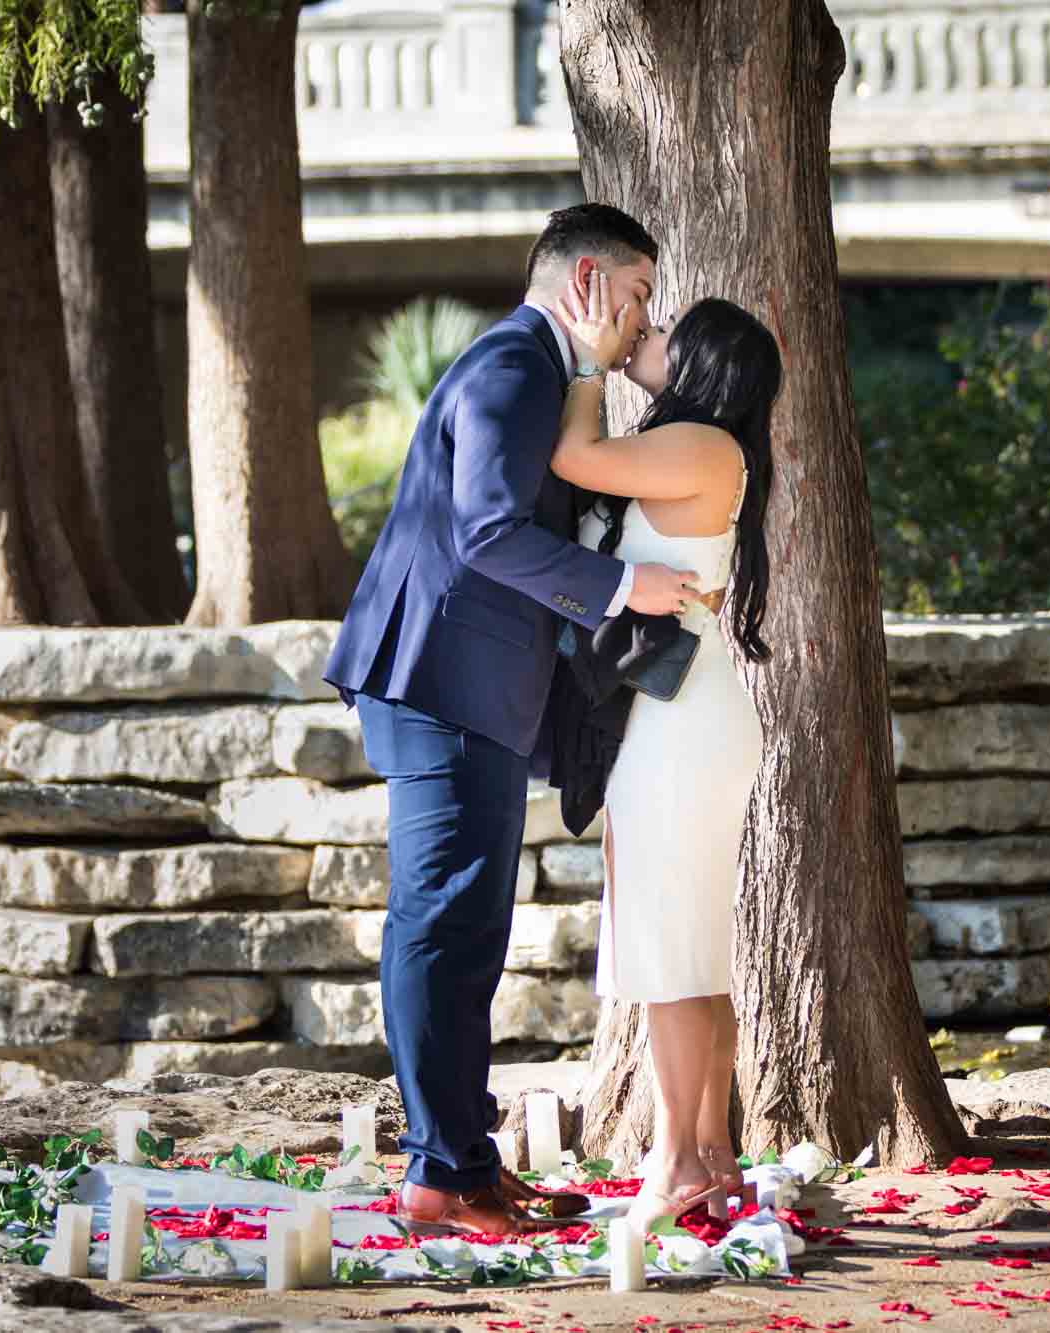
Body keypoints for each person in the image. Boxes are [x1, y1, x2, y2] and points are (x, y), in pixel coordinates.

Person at [323, 205, 701, 1237]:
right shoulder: (511, 368)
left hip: (465, 687)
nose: (635, 326)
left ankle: (467, 1165)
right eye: (630, 300)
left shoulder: (544, 369)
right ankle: (438, 1178)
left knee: (467, 927)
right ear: (584, 282)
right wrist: (624, 586)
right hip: (439, 680)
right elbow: (487, 528)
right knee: (443, 922)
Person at [550, 276, 782, 1232]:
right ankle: (710, 1152)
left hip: (679, 720)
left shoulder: (695, 444)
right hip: (688, 710)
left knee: (668, 946)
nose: (652, 333)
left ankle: (680, 1157)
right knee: (690, 944)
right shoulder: (712, 451)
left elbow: (572, 456)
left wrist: (588, 357)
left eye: (668, 333)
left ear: (704, 366)